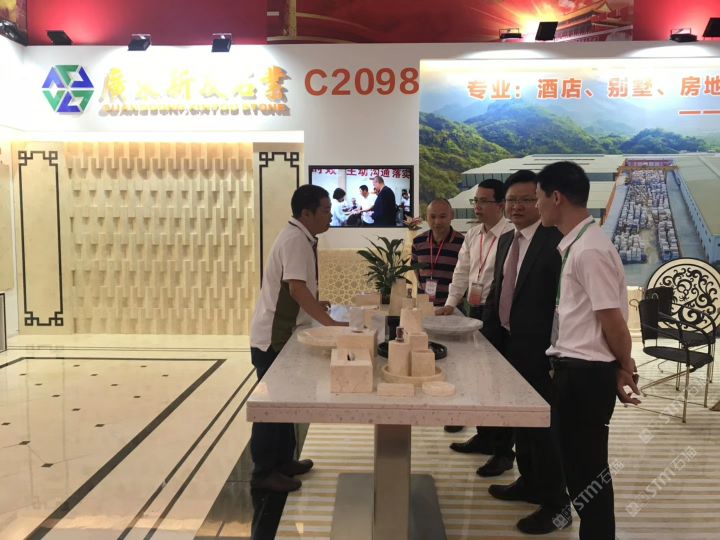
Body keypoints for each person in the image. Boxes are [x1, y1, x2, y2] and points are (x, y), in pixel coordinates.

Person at [535, 161, 641, 540]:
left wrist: (624, 366)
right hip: (578, 371)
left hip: (584, 377)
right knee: (581, 471)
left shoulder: (589, 251)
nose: (537, 205)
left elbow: (612, 321)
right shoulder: (580, 245)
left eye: (538, 197)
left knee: (588, 475)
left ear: (556, 197)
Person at [482, 170, 570, 533]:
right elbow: (497, 291)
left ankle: (557, 504)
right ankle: (530, 482)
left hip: (542, 350)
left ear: (541, 200)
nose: (516, 207)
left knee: (546, 427)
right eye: (511, 200)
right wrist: (487, 340)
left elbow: (564, 304)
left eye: (526, 199)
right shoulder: (508, 240)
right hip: (508, 344)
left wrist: (557, 353)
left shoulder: (555, 241)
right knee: (522, 422)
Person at [249, 184, 347, 493]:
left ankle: (283, 461)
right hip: (273, 337)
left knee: (283, 402)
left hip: (282, 334)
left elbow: (299, 289)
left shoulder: (300, 237)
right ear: (306, 213)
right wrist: (331, 324)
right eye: (325, 210)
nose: (330, 215)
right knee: (271, 406)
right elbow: (296, 289)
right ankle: (264, 471)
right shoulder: (295, 240)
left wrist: (319, 304)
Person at [439, 179, 513, 444]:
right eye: (476, 201)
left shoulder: (511, 236)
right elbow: (461, 272)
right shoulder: (472, 235)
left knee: (498, 376)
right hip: (472, 310)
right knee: (476, 372)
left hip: (497, 315)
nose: (477, 207)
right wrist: (450, 303)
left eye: (483, 201)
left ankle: (501, 447)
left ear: (500, 205)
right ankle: (484, 436)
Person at [411, 198, 464, 307]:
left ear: (452, 215)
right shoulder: (418, 241)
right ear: (426, 217)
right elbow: (415, 269)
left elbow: (466, 274)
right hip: (424, 305)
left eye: (443, 216)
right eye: (433, 216)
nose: (437, 222)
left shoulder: (463, 243)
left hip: (451, 307)